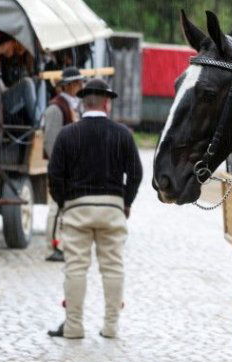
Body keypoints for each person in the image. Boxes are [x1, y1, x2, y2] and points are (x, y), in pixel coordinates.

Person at [47, 79, 143, 339]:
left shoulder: (67, 134)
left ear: (83, 103)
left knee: (75, 267)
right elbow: (136, 173)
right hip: (112, 207)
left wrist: (64, 202)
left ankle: (74, 326)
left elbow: (54, 175)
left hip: (77, 208)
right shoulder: (123, 134)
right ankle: (111, 327)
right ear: (107, 103)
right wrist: (126, 202)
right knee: (113, 267)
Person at [43, 68, 86, 262]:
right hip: (61, 168)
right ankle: (53, 245)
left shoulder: (78, 106)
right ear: (68, 86)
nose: (81, 86)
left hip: (75, 166)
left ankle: (67, 243)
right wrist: (59, 168)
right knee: (56, 207)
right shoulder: (55, 108)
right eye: (78, 83)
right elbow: (50, 142)